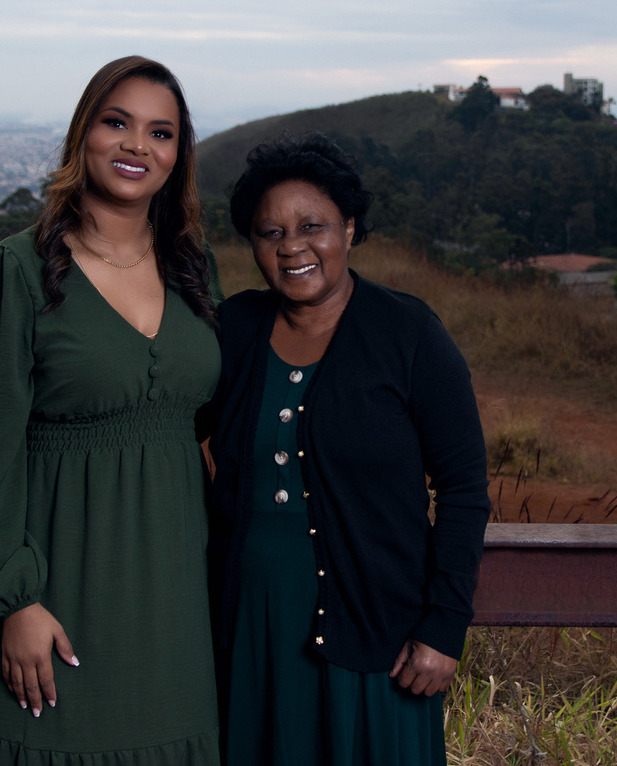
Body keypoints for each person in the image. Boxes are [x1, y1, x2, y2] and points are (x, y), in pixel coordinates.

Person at [0, 56, 223, 765]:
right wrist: (14, 601)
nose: (136, 147)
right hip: (57, 586)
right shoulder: (15, 272)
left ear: (178, 155)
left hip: (175, 596)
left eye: (161, 133)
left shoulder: (195, 269)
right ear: (82, 132)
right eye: (116, 122)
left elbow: (203, 423)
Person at [206, 133, 490, 765]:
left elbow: (465, 489)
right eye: (269, 232)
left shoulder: (408, 332)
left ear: (350, 228)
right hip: (252, 627)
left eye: (313, 226)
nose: (293, 248)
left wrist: (443, 628)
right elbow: (163, 425)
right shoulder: (234, 329)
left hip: (378, 632)